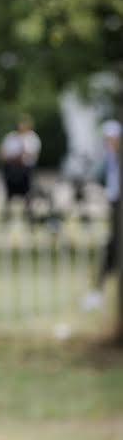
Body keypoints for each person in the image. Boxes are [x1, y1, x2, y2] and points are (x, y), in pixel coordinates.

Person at [83, 119, 121, 311]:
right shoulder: (108, 157)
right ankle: (97, 291)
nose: (110, 141)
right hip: (115, 204)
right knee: (111, 246)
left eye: (113, 138)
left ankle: (97, 290)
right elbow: (98, 177)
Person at [0, 115, 42, 228]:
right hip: (11, 172)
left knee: (28, 199)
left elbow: (26, 155)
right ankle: (6, 223)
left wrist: (13, 157)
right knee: (8, 199)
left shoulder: (32, 138)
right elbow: (3, 154)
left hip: (26, 173)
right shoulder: (10, 137)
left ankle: (29, 223)